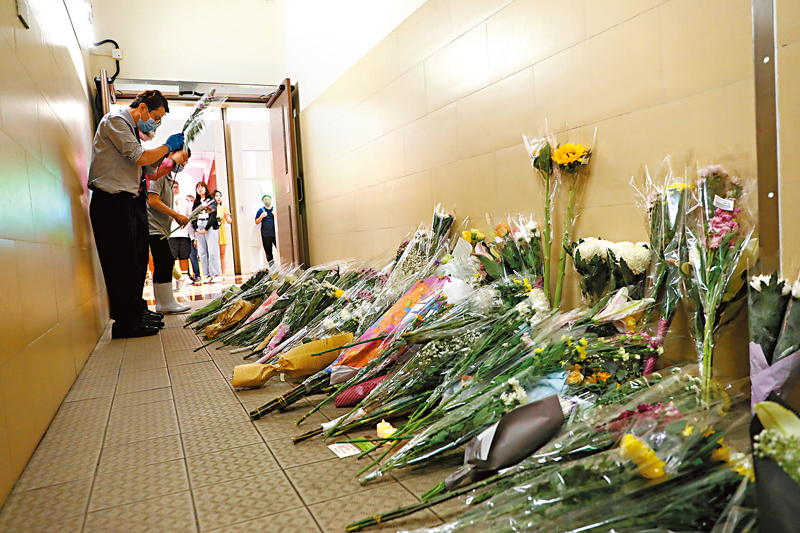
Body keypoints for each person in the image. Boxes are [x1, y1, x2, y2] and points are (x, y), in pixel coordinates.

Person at [87, 89, 184, 338]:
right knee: (121, 263)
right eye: (156, 117)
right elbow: (140, 158)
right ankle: (125, 322)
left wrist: (170, 158)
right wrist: (166, 146)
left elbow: (149, 169)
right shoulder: (115, 121)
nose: (156, 123)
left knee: (137, 261)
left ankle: (136, 311)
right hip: (111, 202)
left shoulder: (132, 130)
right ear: (142, 108)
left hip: (129, 201)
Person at [147, 151, 192, 313]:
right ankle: (165, 303)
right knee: (165, 261)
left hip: (159, 227)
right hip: (152, 227)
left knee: (164, 262)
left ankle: (164, 302)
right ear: (172, 154)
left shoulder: (167, 177)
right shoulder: (158, 174)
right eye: (184, 159)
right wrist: (175, 215)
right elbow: (152, 200)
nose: (184, 163)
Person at [192, 181, 222, 284]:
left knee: (213, 251)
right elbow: (193, 216)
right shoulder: (196, 202)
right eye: (198, 187)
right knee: (202, 252)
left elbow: (213, 215)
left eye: (202, 187)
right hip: (199, 227)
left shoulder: (211, 200)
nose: (200, 189)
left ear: (206, 188)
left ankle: (217, 274)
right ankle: (207, 274)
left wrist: (206, 227)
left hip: (210, 227)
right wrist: (196, 227)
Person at [168, 182, 193, 290]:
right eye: (173, 187)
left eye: (176, 187)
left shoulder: (185, 200)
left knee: (184, 255)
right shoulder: (166, 200)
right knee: (171, 256)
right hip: (172, 233)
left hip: (184, 233)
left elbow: (189, 215)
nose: (175, 189)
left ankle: (184, 275)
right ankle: (174, 277)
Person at [213, 190, 233, 276]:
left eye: (219, 196)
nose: (218, 197)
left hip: (222, 231)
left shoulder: (224, 208)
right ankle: (215, 273)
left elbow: (229, 221)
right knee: (214, 254)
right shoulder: (211, 208)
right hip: (213, 231)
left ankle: (223, 273)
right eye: (216, 196)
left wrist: (227, 217)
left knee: (222, 254)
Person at [186, 194, 203, 284]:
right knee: (184, 257)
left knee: (193, 257)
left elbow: (195, 227)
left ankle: (197, 274)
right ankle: (187, 275)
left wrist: (195, 239)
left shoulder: (194, 214)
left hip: (192, 237)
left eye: (191, 201)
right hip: (184, 237)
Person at [255, 194, 276, 267]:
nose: (267, 201)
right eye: (265, 199)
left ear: (271, 200)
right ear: (263, 201)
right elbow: (256, 221)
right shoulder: (261, 210)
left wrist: (275, 215)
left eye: (268, 199)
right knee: (269, 253)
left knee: (280, 250)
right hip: (266, 235)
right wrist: (261, 216)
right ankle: (272, 268)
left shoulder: (275, 209)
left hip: (276, 234)